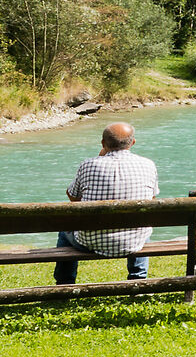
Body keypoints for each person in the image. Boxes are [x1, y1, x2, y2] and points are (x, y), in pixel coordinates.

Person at [58, 121, 158, 283]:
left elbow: (73, 197)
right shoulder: (148, 165)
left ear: (103, 144)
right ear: (132, 142)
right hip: (133, 241)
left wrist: (100, 158)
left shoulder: (88, 165)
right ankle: (138, 279)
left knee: (64, 230)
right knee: (142, 226)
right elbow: (151, 201)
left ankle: (64, 282)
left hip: (89, 242)